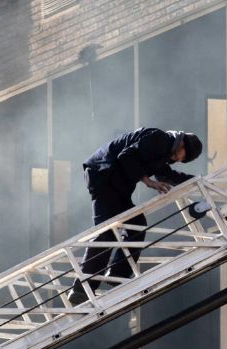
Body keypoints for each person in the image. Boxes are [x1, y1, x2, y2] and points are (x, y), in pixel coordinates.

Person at [66, 127, 203, 306]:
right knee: (107, 233)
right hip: (104, 175)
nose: (178, 160)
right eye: (182, 156)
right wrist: (148, 181)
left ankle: (118, 274)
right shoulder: (159, 139)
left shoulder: (164, 151)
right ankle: (82, 289)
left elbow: (166, 174)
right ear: (182, 144)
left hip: (116, 183)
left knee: (137, 224)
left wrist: (197, 181)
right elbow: (126, 156)